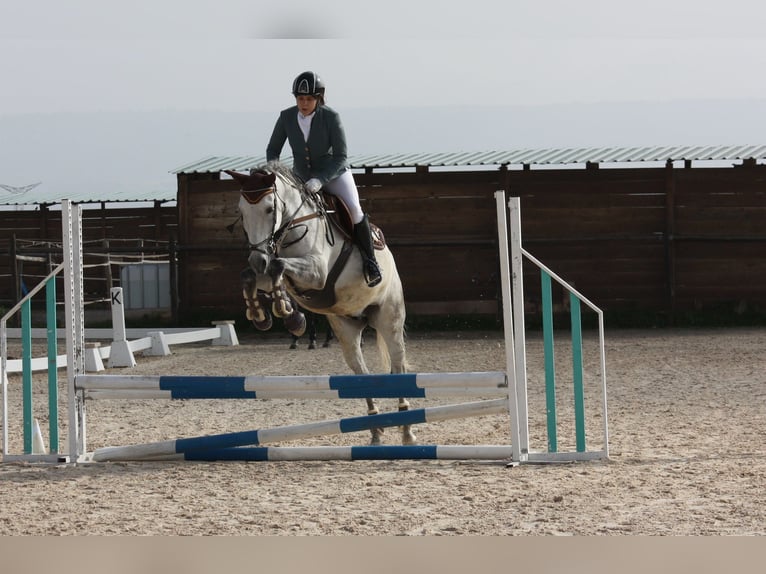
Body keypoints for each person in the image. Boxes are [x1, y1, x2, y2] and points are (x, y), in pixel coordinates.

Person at [265, 71, 382, 287]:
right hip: (300, 177)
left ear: (319, 98)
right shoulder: (286, 117)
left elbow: (341, 156)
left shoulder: (331, 117)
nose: (304, 103)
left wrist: (320, 179)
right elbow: (273, 150)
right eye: (300, 98)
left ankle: (370, 262)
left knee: (355, 210)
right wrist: (277, 174)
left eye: (309, 99)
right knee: (283, 213)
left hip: (333, 174)